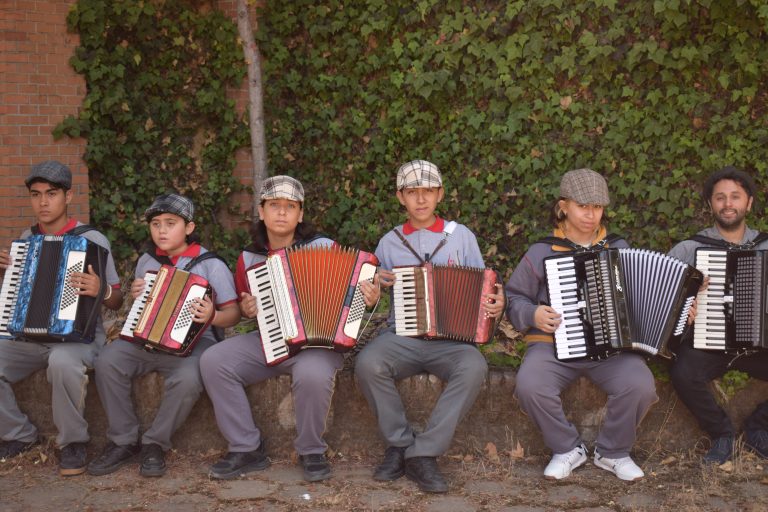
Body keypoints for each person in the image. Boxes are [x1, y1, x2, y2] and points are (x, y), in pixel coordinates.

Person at [200, 175, 379, 482]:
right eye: (274, 205)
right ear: (261, 211)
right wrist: (247, 309)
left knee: (312, 373)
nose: (282, 212)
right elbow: (243, 308)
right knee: (214, 361)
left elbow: (357, 289)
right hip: (271, 339)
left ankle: (311, 450)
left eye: (290, 206)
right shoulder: (249, 257)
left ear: (300, 213)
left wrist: (370, 296)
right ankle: (246, 447)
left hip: (320, 344)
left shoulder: (324, 247)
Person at [355, 160, 504, 493]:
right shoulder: (389, 242)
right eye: (412, 192)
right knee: (368, 363)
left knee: (474, 366)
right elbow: (371, 293)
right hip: (402, 336)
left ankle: (422, 454)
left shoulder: (461, 236)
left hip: (452, 340)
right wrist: (373, 293)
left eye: (427, 191)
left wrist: (497, 302)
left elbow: (484, 286)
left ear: (440, 194)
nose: (420, 199)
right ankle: (398, 445)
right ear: (400, 197)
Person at [505, 168, 657, 481]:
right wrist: (533, 314)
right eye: (583, 206)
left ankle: (613, 452)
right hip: (552, 346)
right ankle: (566, 449)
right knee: (530, 385)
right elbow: (514, 297)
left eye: (597, 207)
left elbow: (639, 293)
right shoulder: (542, 250)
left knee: (640, 384)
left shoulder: (618, 247)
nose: (591, 215)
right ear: (564, 207)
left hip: (611, 348)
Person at [87, 193, 240, 477]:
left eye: (171, 223)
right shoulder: (147, 260)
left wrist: (212, 316)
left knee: (189, 378)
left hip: (195, 343)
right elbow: (141, 309)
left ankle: (155, 443)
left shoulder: (210, 264)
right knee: (107, 361)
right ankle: (123, 440)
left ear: (189, 227)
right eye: (155, 224)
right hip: (146, 338)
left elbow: (233, 313)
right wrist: (137, 296)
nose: (162, 230)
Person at [0, 160, 123, 475]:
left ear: (68, 196)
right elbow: (20, 298)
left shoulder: (93, 239)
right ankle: (19, 435)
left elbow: (118, 299)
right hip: (31, 339)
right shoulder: (26, 238)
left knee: (62, 362)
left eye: (51, 194)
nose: (43, 202)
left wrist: (101, 289)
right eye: (36, 194)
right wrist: (8, 275)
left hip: (79, 338)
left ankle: (73, 444)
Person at [668, 166, 768, 464]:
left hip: (760, 345)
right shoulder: (689, 249)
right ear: (711, 204)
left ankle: (759, 427)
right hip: (708, 345)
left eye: (735, 196)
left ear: (749, 202)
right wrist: (685, 305)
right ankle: (722, 434)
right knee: (683, 372)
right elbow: (660, 306)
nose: (728, 203)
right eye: (720, 197)